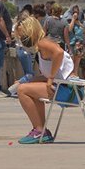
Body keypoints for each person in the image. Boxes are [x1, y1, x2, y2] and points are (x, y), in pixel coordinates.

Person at [10, 14, 74, 145]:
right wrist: (28, 80)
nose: (21, 39)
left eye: (22, 36)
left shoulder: (43, 43)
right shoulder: (43, 45)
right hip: (68, 89)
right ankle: (42, 130)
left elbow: (59, 53)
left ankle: (39, 130)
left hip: (68, 92)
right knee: (26, 87)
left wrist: (50, 79)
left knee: (22, 91)